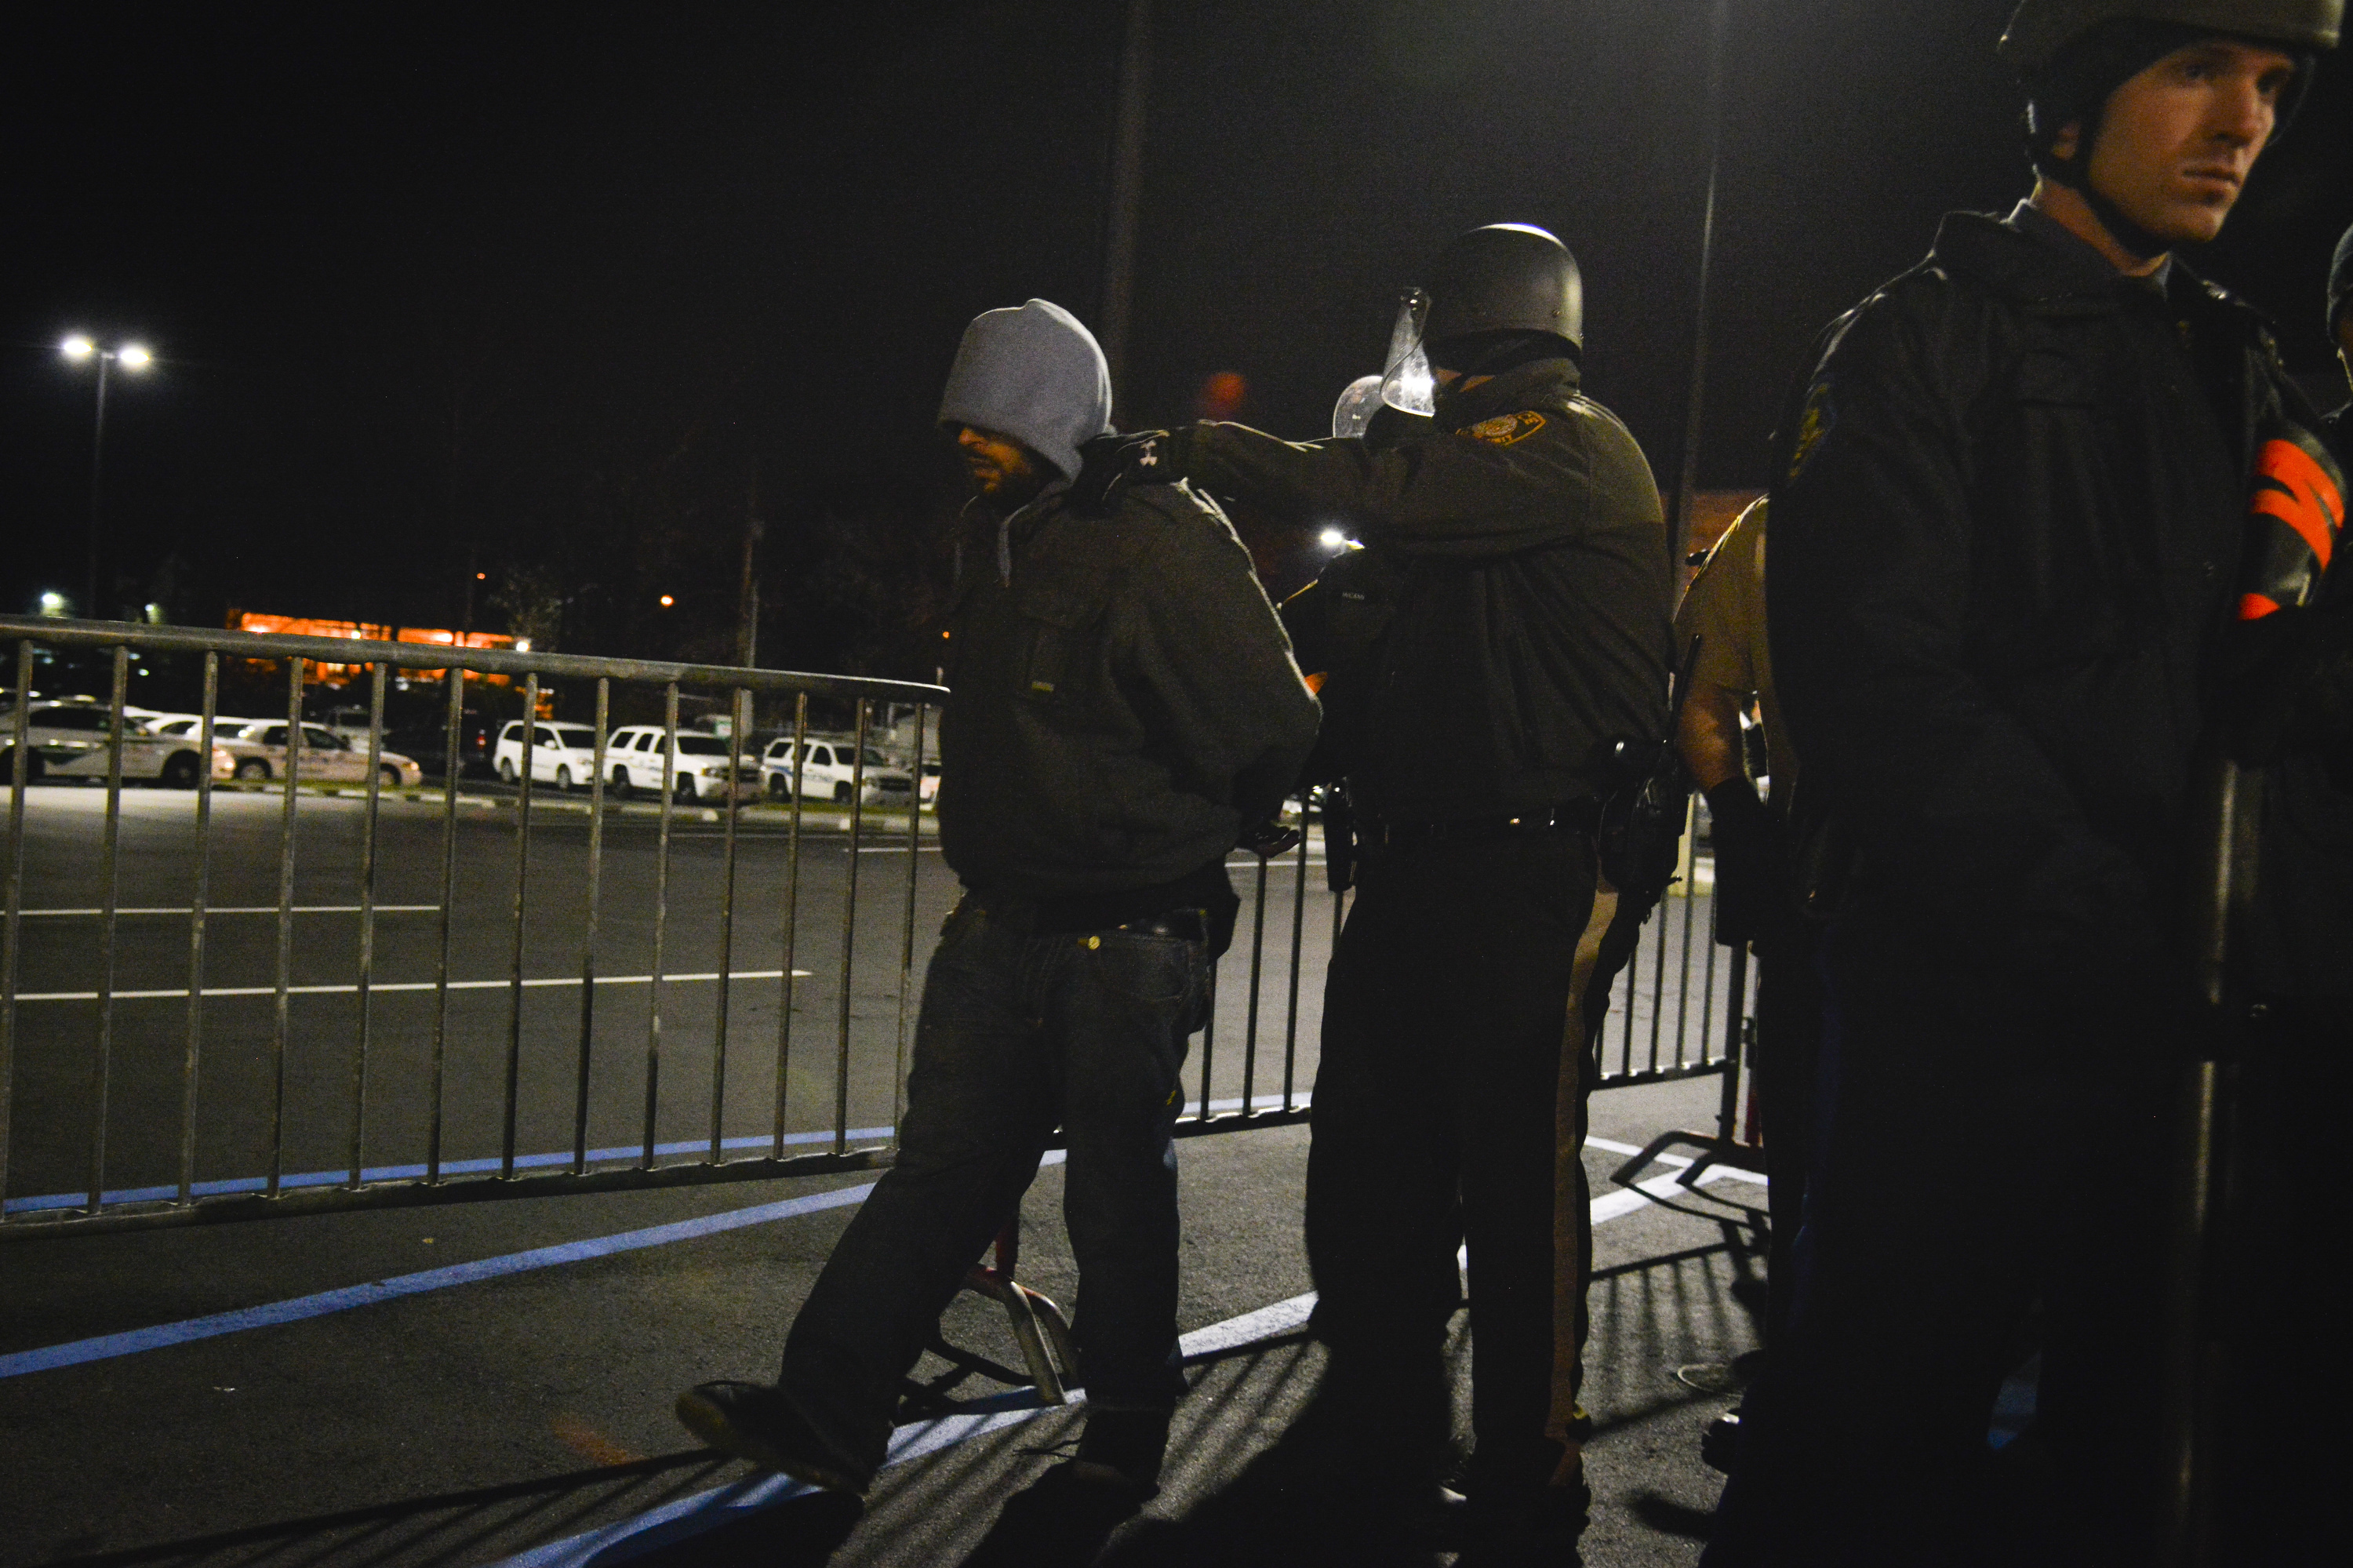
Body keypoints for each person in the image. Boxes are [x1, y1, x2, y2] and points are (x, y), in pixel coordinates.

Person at [1704, 3, 2342, 1563]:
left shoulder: (2242, 365)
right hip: (1964, 1027)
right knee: (1864, 1449)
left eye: (2270, 85)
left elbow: (2275, 700)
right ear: (2073, 96)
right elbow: (1881, 691)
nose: (2244, 122)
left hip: (2177, 1045)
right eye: (2198, 70)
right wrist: (2119, 936)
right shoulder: (1918, 340)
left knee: (2131, 1464)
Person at [1090, 223, 1673, 1564]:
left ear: (1474, 331)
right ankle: (1382, 1424)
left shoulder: (1568, 448)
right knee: (1369, 1167)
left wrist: (1202, 447)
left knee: (1516, 1179)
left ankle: (1531, 1464)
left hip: (1538, 866)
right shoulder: (1451, 500)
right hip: (1416, 869)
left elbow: (1396, 493)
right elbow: (1310, 651)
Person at [675, 298, 1318, 1502]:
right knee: (938, 1177)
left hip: (1128, 934)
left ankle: (1123, 1435)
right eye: (958, 417)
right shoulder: (997, 533)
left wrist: (1199, 827)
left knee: (1117, 1199)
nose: (965, 439)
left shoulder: (1164, 532)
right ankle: (826, 1413)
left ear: (1054, 414)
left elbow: (1277, 720)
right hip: (1000, 920)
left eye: (989, 417)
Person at [1669, 497, 1818, 1471]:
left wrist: (1740, 809)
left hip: (1829, 875)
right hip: (1897, 882)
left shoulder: (1779, 521)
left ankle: (1809, 1392)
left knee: (1814, 1154)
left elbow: (1701, 689)